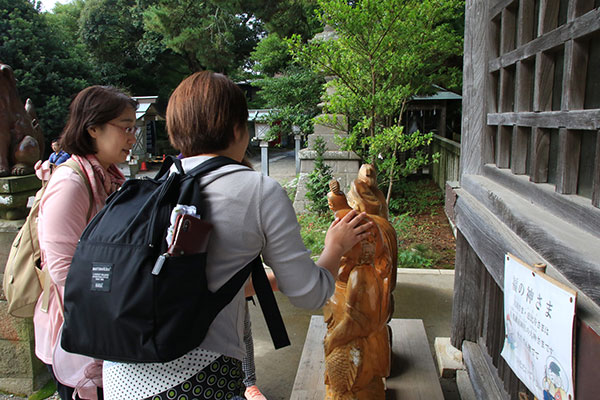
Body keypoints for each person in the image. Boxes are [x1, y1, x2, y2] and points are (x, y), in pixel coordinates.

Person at [102, 71, 372, 400]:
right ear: (237, 129)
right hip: (192, 377)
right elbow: (308, 294)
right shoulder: (258, 191)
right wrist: (335, 246)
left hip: (118, 372)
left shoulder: (158, 183)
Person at [33, 86, 138, 400]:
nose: (133, 137)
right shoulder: (71, 183)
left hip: (104, 326)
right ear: (93, 128)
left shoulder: (108, 178)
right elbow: (63, 271)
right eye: (126, 127)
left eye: (135, 127)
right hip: (81, 332)